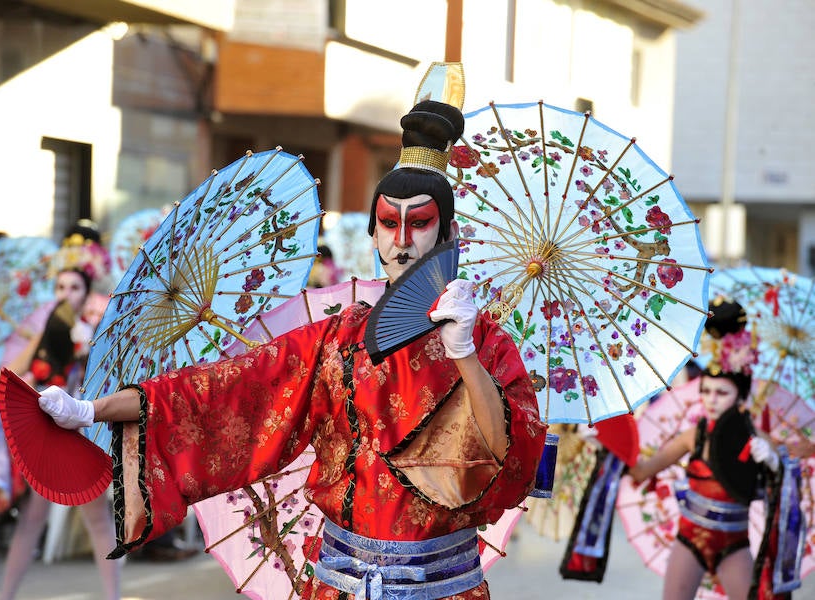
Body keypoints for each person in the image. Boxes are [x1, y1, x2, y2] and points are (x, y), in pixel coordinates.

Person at [33, 100, 548, 598]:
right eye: (390, 223)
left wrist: (465, 358)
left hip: (442, 590)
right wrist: (90, 409)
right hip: (339, 586)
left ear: (449, 234)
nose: (403, 241)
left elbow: (512, 462)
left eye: (420, 223)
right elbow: (227, 389)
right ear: (373, 235)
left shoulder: (485, 343)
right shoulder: (336, 339)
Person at [626, 298, 789, 600]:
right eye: (707, 392)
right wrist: (614, 440)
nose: (712, 399)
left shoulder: (759, 440)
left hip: (734, 544)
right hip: (689, 542)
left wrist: (775, 465)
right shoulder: (694, 436)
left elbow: (786, 485)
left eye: (722, 392)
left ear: (740, 396)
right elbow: (642, 470)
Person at [0, 234, 121, 600]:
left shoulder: (98, 324)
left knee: (97, 518)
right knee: (32, 519)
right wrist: (41, 346)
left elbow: (107, 379)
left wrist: (88, 347)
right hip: (47, 430)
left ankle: (112, 596)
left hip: (81, 430)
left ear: (87, 290)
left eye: (75, 286)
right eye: (61, 286)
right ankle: (4, 595)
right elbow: (12, 373)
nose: (67, 292)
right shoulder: (45, 325)